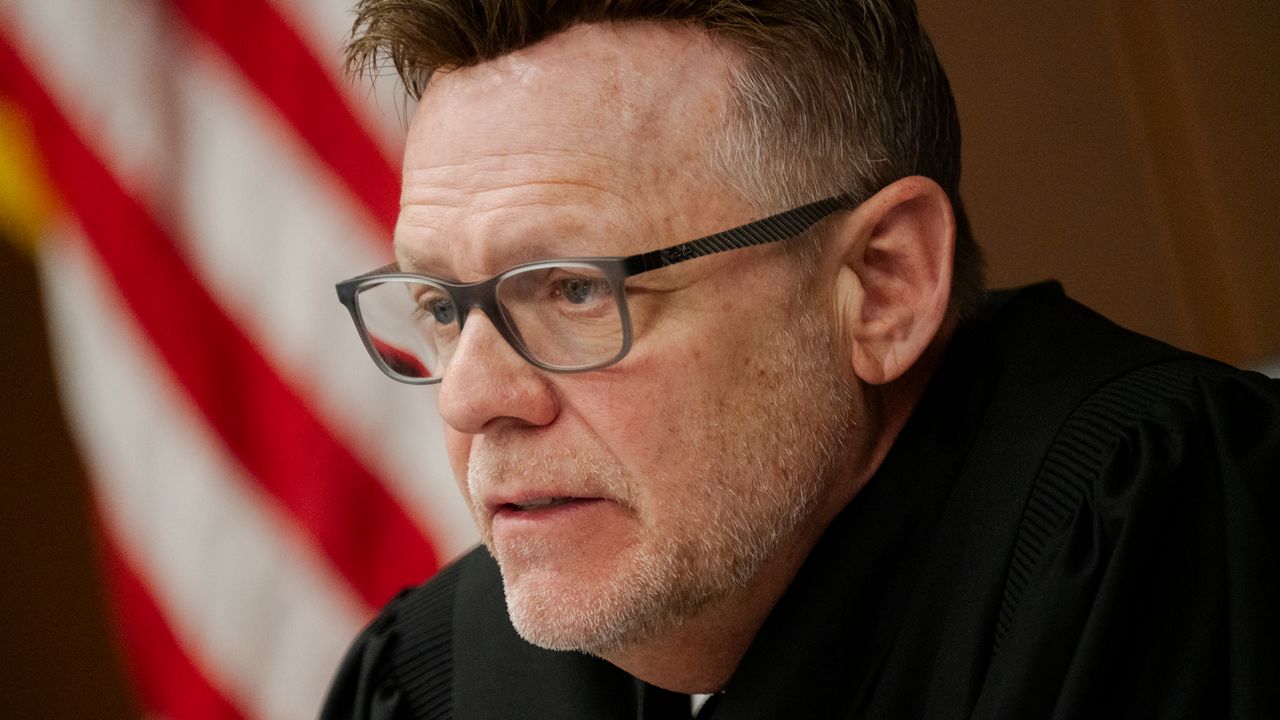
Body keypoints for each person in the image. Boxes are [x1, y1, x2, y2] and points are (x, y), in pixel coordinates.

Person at [321, 1, 1280, 718]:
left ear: (883, 284)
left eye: (575, 289)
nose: (472, 397)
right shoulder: (434, 680)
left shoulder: (1161, 539)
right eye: (444, 306)